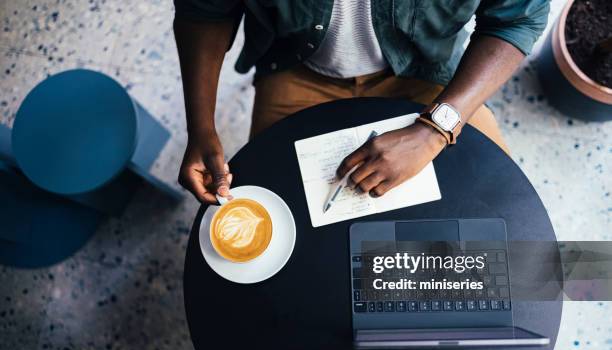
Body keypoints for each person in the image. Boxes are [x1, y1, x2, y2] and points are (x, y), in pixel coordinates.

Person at [173, 0, 550, 204]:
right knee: (273, 208)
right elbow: (204, 12)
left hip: (424, 71)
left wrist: (436, 129)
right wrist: (201, 127)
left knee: (497, 205)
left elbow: (515, 20)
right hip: (297, 67)